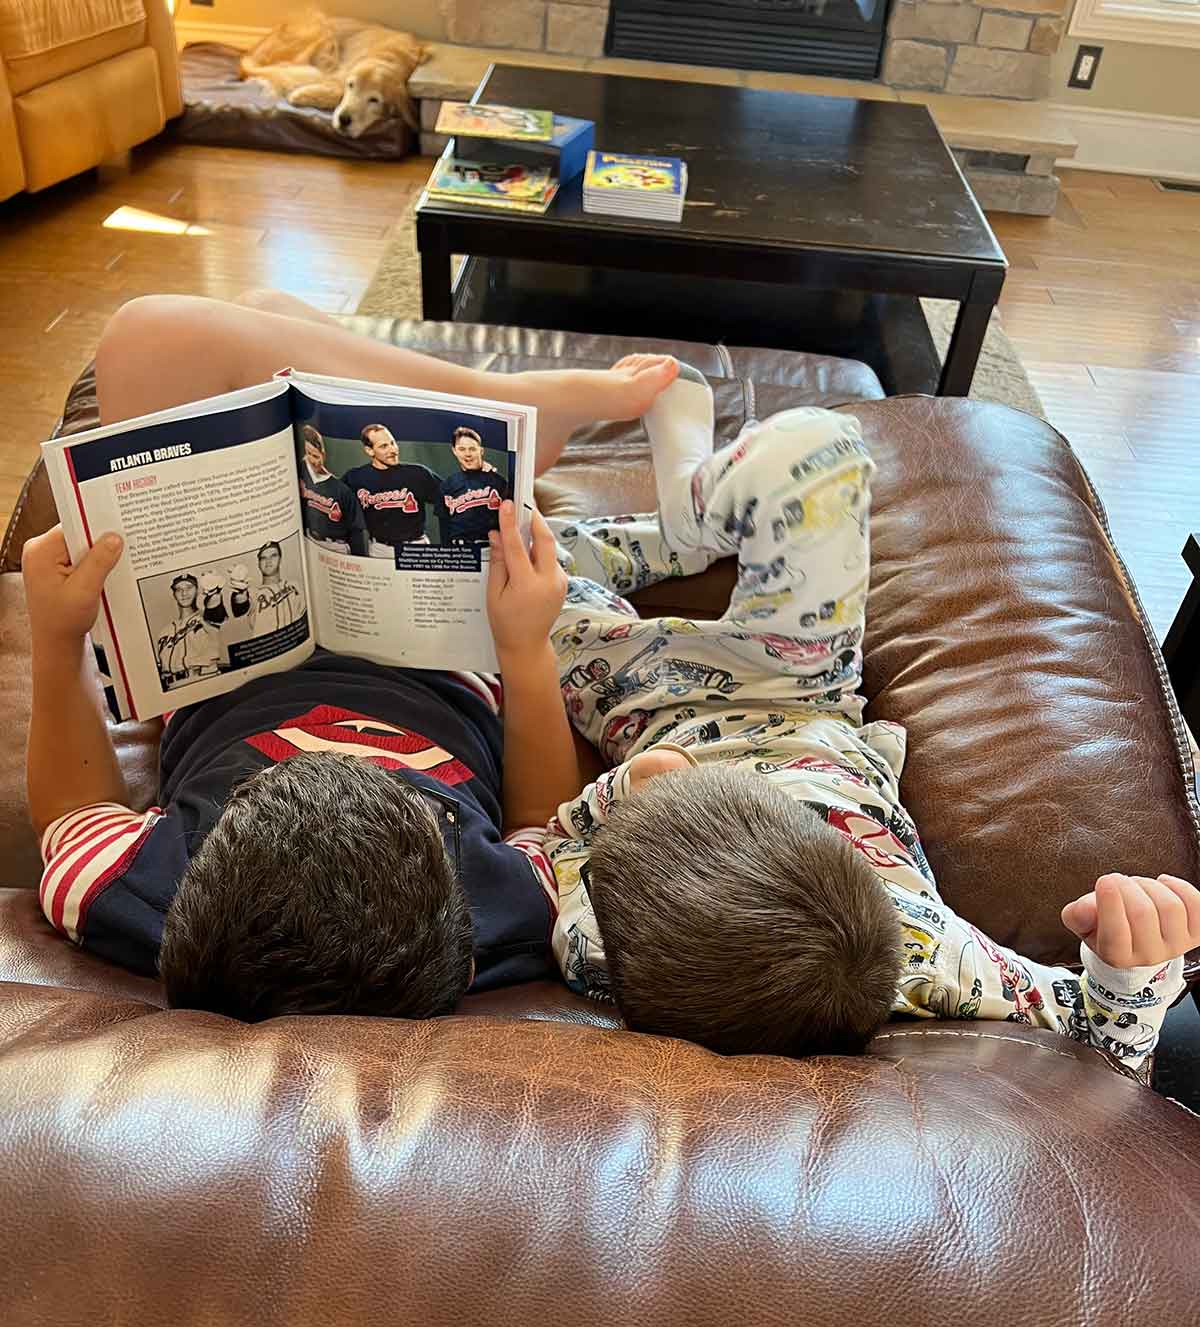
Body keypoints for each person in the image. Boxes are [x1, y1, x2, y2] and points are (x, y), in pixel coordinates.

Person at [486, 360, 1200, 1076]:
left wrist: (623, 788)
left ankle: (644, 543)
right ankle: (687, 521)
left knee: (504, 573)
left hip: (649, 704)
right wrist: (1133, 966)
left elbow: (538, 841)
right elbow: (1102, 1041)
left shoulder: (588, 945)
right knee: (822, 447)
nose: (666, 781)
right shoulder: (929, 956)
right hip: (804, 689)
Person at [25, 289, 679, 1020]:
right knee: (216, 331)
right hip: (440, 650)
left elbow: (74, 809)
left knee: (177, 333)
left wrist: (56, 640)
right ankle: (503, 407)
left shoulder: (141, 895)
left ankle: (497, 407)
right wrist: (524, 648)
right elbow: (536, 816)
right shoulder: (500, 914)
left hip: (230, 642)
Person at [342, 423, 444, 556]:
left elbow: (452, 498)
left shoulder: (418, 473)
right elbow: (334, 500)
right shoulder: (355, 477)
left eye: (393, 443)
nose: (393, 450)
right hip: (380, 549)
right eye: (384, 446)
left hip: (416, 548)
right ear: (369, 450)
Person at [299, 424, 369, 556]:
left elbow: (357, 530)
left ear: (323, 455)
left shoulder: (342, 490)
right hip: (311, 541)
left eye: (316, 456)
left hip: (337, 547)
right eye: (308, 454)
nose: (312, 460)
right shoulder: (301, 472)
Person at [441, 426, 511, 545]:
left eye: (472, 449)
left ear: (481, 450)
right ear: (454, 451)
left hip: (492, 545)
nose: (467, 454)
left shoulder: (498, 481)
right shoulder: (448, 484)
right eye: (462, 449)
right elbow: (444, 524)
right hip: (461, 549)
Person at [155, 573, 222, 689]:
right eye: (179, 589)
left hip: (204, 679)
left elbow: (216, 610)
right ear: (174, 594)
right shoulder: (165, 632)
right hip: (172, 685)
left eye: (189, 588)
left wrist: (214, 593)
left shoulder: (207, 617)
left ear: (197, 591)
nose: (184, 593)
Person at [245, 540, 306, 636]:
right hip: (268, 647)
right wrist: (239, 594)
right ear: (258, 564)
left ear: (280, 559)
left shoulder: (294, 586)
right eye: (263, 558)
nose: (268, 561)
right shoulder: (253, 593)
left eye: (273, 556)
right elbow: (240, 606)